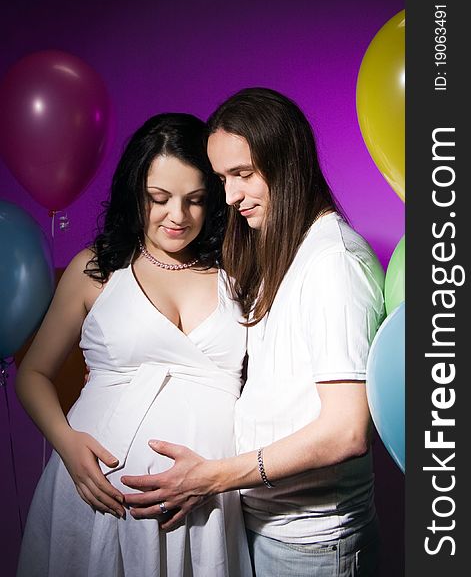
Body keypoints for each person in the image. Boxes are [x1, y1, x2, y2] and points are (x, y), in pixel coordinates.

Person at [122, 89, 386, 577]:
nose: (230, 196)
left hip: (313, 544)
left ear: (287, 162)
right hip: (268, 528)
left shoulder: (333, 263)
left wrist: (212, 478)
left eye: (243, 175)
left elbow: (347, 432)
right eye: (222, 178)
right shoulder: (282, 251)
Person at [15, 113, 253, 577]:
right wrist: (68, 447)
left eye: (196, 200)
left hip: (209, 498)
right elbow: (33, 374)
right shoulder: (96, 271)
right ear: (134, 194)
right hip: (98, 493)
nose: (178, 217)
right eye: (159, 199)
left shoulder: (240, 271)